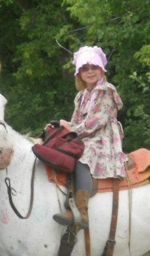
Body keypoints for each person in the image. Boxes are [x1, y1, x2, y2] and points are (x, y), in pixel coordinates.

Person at [52, 45, 127, 229]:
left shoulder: (106, 91)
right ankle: (64, 203)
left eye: (94, 67)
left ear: (102, 69)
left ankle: (81, 211)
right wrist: (62, 128)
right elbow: (75, 120)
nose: (90, 72)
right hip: (84, 135)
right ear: (79, 74)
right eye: (85, 69)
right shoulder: (81, 96)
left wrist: (72, 130)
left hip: (101, 138)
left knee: (82, 157)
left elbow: (96, 122)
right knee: (62, 153)